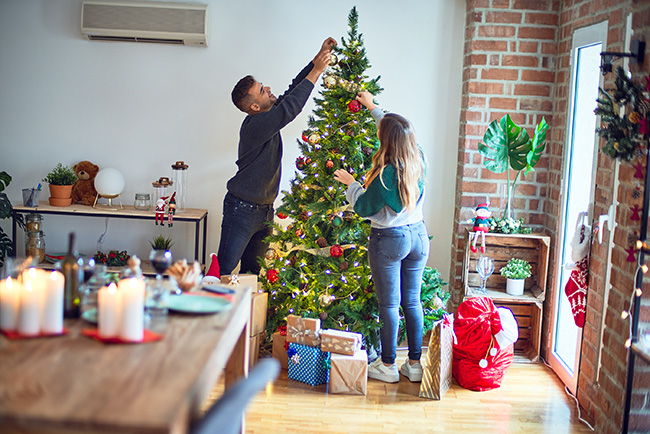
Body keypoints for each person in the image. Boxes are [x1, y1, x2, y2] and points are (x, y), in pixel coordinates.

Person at [218, 37, 336, 276]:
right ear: (254, 107)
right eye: (262, 90)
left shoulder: (267, 116)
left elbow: (292, 91)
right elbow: (290, 108)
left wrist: (316, 61)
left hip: (264, 211)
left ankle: (246, 314)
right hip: (241, 210)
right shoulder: (256, 125)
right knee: (222, 271)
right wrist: (318, 72)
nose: (268, 88)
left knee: (253, 274)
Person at [334, 91, 429, 383]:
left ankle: (387, 366)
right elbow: (392, 130)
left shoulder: (385, 175)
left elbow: (364, 207)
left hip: (390, 240)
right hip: (418, 237)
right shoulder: (418, 158)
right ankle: (414, 364)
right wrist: (374, 107)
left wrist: (351, 184)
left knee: (389, 305)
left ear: (385, 142)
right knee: (412, 302)